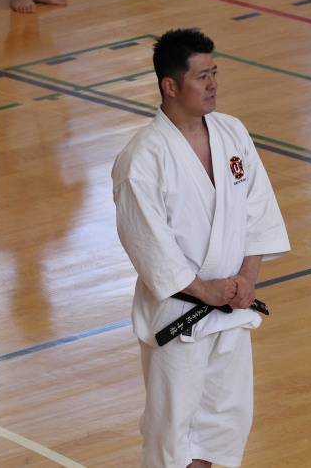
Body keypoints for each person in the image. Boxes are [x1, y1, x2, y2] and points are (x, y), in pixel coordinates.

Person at [112, 28, 290, 468]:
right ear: (170, 86)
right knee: (173, 428)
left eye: (214, 73)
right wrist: (203, 289)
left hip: (230, 306)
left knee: (224, 423)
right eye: (201, 76)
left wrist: (247, 278)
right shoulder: (141, 159)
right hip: (179, 313)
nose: (212, 84)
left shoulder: (232, 132)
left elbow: (258, 210)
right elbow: (149, 245)